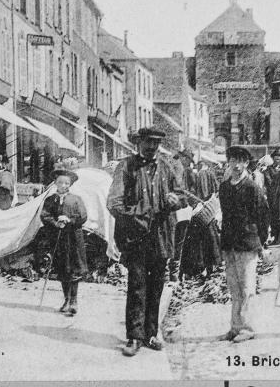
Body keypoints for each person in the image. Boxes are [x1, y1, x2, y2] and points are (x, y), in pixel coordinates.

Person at [107, 127, 185, 357]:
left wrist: (175, 200)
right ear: (139, 142)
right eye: (148, 142)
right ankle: (134, 336)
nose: (152, 147)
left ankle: (152, 333)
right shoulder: (126, 167)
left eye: (156, 142)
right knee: (137, 286)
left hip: (160, 235)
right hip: (135, 237)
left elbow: (182, 194)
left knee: (157, 286)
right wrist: (134, 218)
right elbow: (114, 202)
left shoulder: (168, 166)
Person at [219, 146, 269, 343]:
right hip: (229, 243)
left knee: (247, 288)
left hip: (247, 244)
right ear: (229, 162)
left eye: (242, 161)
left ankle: (247, 328)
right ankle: (235, 327)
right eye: (233, 160)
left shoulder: (252, 187)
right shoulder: (224, 187)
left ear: (247, 164)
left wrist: (261, 243)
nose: (237, 165)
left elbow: (263, 216)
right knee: (234, 288)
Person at [40, 167, 88, 316]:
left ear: (70, 185)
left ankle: (74, 301)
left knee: (74, 268)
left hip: (73, 238)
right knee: (62, 269)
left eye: (66, 183)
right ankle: (66, 299)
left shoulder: (76, 199)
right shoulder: (50, 200)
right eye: (60, 182)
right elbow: (45, 216)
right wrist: (56, 223)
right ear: (55, 183)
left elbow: (83, 217)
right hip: (58, 239)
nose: (63, 185)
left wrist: (69, 220)